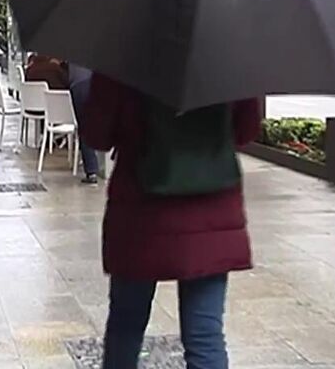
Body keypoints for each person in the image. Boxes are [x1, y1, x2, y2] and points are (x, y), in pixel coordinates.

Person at [81, 73, 261, 369]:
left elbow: (96, 135)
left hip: (140, 216)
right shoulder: (227, 55)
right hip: (212, 214)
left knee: (126, 327)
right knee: (205, 335)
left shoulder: (123, 53)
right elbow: (245, 131)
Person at [68, 63, 100, 185]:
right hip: (94, 83)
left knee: (85, 127)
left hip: (79, 84)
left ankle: (91, 170)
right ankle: (94, 166)